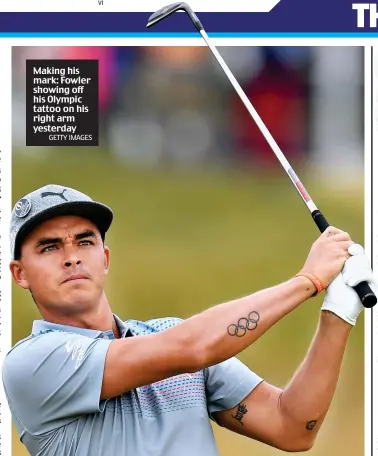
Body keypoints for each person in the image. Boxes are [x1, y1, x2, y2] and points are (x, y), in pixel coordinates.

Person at [3, 184, 376, 456]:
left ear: (105, 258)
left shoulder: (167, 334)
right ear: (20, 274)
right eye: (49, 247)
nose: (71, 257)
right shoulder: (32, 362)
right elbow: (193, 347)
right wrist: (307, 281)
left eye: (84, 241)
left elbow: (292, 427)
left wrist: (338, 312)